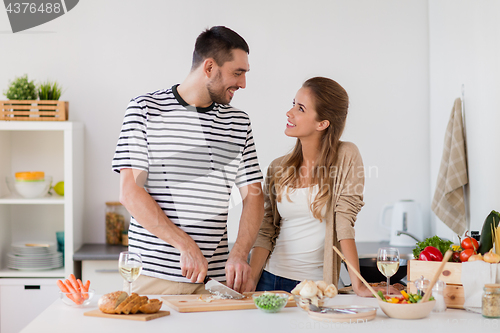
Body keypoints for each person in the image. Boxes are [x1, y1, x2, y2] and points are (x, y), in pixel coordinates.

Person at [112, 26, 264, 295]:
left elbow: (254, 196)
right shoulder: (145, 110)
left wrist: (239, 254)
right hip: (154, 277)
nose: (243, 84)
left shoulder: (238, 122)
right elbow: (130, 191)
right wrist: (186, 246)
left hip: (215, 282)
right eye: (237, 72)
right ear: (209, 67)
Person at [249, 77, 384, 297]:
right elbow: (266, 229)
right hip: (269, 280)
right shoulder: (278, 168)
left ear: (322, 123)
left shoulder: (346, 156)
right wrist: (251, 282)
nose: (289, 113)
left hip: (317, 287)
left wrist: (357, 284)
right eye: (293, 104)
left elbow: (344, 219)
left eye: (300, 108)